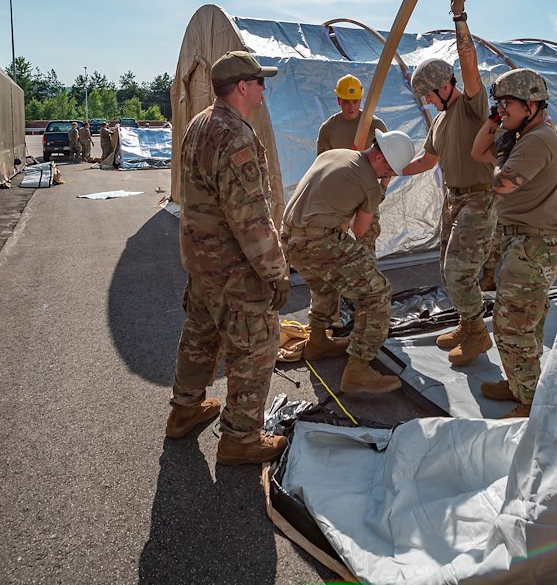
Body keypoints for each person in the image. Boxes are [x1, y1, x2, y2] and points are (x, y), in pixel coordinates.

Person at [166, 50, 291, 466]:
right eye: (259, 82)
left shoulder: (200, 123)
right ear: (242, 87)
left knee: (201, 334)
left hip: (201, 262)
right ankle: (240, 437)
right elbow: (250, 218)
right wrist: (275, 272)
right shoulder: (234, 135)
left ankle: (184, 409)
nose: (263, 89)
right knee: (257, 344)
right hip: (233, 267)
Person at [401, 0, 498, 367]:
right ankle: (466, 323)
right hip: (454, 199)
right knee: (448, 268)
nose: (425, 101)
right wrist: (385, 171)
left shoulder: (472, 106)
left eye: (427, 93)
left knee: (459, 270)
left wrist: (459, 16)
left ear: (443, 86)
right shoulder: (440, 121)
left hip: (479, 198)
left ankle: (477, 334)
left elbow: (469, 65)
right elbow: (427, 161)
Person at [282, 130, 416, 393]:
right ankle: (358, 369)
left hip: (289, 237)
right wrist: (380, 189)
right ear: (379, 157)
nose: (387, 175)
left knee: (325, 284)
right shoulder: (369, 184)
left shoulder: (335, 154)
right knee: (377, 291)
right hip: (318, 241)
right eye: (389, 170)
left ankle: (318, 341)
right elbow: (361, 230)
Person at [471, 68, 557, 418]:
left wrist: (501, 158)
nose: (501, 109)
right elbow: (478, 150)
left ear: (531, 105)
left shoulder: (538, 139)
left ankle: (530, 404)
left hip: (532, 245)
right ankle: (521, 385)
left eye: (507, 103)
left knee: (513, 326)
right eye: (498, 104)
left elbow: (502, 185)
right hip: (524, 244)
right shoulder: (522, 137)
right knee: (525, 323)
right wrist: (497, 121)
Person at [316, 74, 389, 251]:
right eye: (347, 102)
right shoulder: (328, 128)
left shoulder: (375, 125)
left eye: (355, 102)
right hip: (339, 195)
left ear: (361, 100)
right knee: (335, 246)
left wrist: (381, 189)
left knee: (366, 243)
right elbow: (321, 165)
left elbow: (390, 162)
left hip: (366, 194)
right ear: (338, 101)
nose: (351, 107)